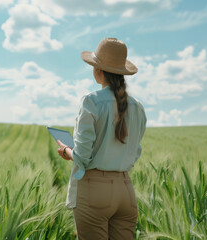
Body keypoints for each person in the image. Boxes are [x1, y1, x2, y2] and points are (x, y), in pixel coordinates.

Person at [57, 38, 147, 240]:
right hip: (125, 191)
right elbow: (135, 152)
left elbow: (82, 158)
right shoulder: (138, 107)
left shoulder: (91, 102)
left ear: (98, 71)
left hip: (93, 191)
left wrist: (66, 151)